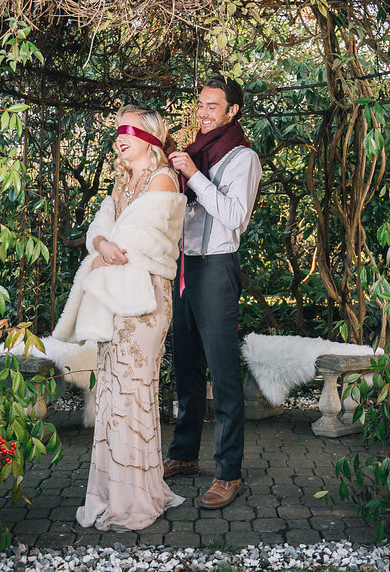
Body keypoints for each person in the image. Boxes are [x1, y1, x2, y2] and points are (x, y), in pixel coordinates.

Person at [55, 105, 187, 532]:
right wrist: (100, 245)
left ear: (148, 136)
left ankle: (136, 498)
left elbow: (135, 241)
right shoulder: (122, 182)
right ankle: (116, 492)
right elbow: (102, 230)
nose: (119, 138)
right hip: (118, 300)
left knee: (134, 391)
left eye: (127, 131)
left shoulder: (163, 178)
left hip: (146, 302)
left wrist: (106, 249)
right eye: (117, 132)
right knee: (112, 391)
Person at [165, 76, 262, 509]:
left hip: (217, 268)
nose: (203, 113)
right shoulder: (195, 152)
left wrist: (192, 176)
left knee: (222, 375)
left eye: (212, 106)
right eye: (200, 105)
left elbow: (234, 216)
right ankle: (184, 455)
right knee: (185, 366)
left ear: (232, 111)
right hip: (183, 267)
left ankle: (228, 473)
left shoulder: (242, 158)